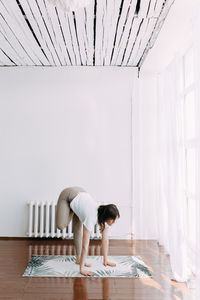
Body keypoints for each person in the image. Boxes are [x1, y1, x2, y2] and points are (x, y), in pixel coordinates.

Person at [56, 186, 120, 276]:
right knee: (61, 226)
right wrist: (82, 269)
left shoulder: (104, 217)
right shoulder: (91, 217)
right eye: (113, 220)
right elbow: (85, 246)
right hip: (69, 194)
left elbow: (105, 240)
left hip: (82, 194)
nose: (114, 222)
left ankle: (78, 259)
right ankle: (72, 206)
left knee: (78, 228)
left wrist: (105, 260)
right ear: (107, 217)